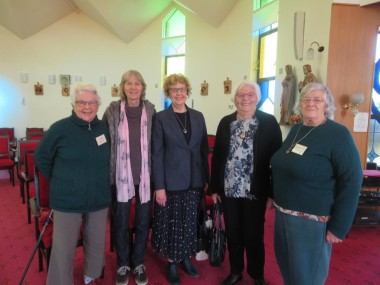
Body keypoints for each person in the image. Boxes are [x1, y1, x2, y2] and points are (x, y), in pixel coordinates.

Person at [270, 82, 362, 285]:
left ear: (327, 105)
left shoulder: (338, 134)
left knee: (307, 278)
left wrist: (339, 226)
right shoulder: (296, 130)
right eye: (306, 99)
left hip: (312, 221)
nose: (311, 103)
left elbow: (352, 180)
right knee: (289, 273)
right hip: (284, 216)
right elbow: (283, 166)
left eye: (317, 99)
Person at [34, 83, 111, 285]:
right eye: (81, 102)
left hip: (98, 198)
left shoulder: (103, 128)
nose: (87, 107)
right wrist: (60, 179)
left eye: (91, 102)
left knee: (95, 242)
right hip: (67, 200)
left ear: (98, 104)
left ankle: (91, 275)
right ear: (73, 104)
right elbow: (41, 157)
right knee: (63, 247)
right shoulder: (59, 129)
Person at [210, 80, 282, 285]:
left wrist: (272, 193)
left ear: (257, 99)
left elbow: (277, 162)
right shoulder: (226, 122)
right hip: (229, 189)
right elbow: (217, 158)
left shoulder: (269, 122)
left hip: (255, 190)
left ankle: (257, 274)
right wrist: (215, 187)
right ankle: (235, 271)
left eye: (250, 95)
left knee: (254, 234)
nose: (245, 99)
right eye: (241, 95)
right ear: (235, 99)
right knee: (233, 232)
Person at [151, 73, 209, 285]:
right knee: (172, 223)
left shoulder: (198, 116)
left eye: (182, 89)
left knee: (189, 222)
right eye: (174, 89)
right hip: (171, 181)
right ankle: (172, 262)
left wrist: (205, 179)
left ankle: (185, 257)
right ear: (168, 93)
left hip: (194, 180)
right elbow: (156, 154)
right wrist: (159, 186)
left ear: (187, 91)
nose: (178, 93)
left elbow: (203, 149)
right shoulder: (161, 118)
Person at [103, 70, 155, 285]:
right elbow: (103, 140)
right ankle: (123, 264)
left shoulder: (151, 110)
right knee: (121, 223)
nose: (133, 87)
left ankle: (138, 262)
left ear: (143, 87)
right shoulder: (113, 110)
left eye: (137, 83)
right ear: (122, 87)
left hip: (144, 177)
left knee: (143, 223)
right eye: (128, 83)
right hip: (121, 177)